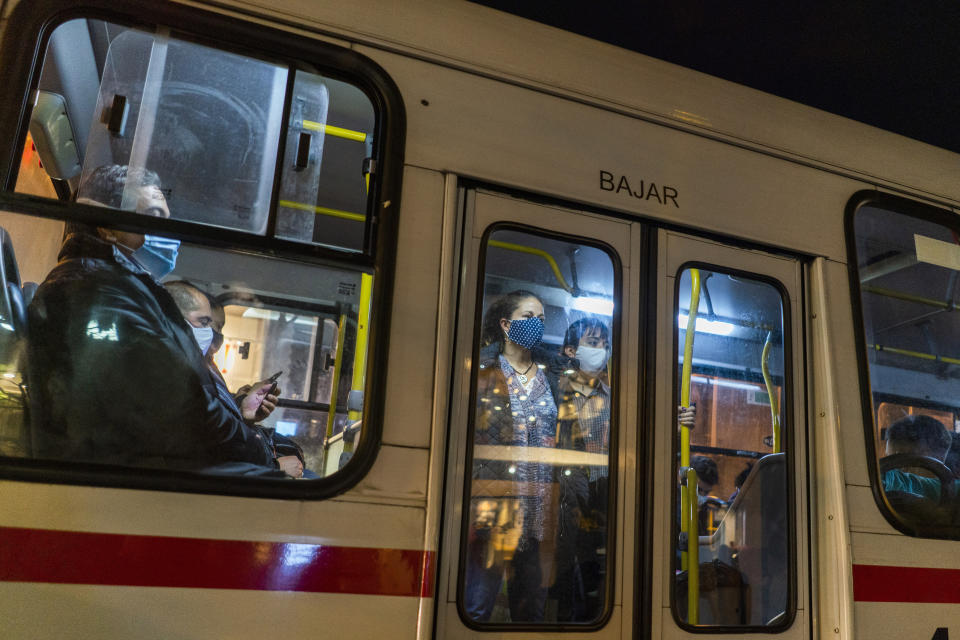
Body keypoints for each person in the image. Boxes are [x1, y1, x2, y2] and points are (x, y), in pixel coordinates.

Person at [27, 164, 280, 472]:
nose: (167, 233)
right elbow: (183, 411)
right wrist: (260, 450)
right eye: (154, 216)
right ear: (106, 225)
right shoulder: (96, 291)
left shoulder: (118, 286)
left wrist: (240, 413)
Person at [465, 290, 557, 623]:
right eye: (528, 317)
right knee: (476, 605)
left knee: (530, 612)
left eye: (542, 320)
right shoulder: (483, 370)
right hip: (497, 504)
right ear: (506, 324)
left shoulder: (554, 375)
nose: (537, 324)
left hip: (541, 509)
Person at [164, 281, 306, 478]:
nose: (212, 333)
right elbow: (210, 450)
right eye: (204, 323)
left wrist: (242, 410)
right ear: (173, 320)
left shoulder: (197, 369)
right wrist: (272, 468)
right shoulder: (174, 379)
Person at [882, 414, 953, 501]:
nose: (897, 469)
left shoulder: (953, 492)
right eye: (889, 459)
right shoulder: (884, 481)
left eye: (906, 461)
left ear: (938, 458)